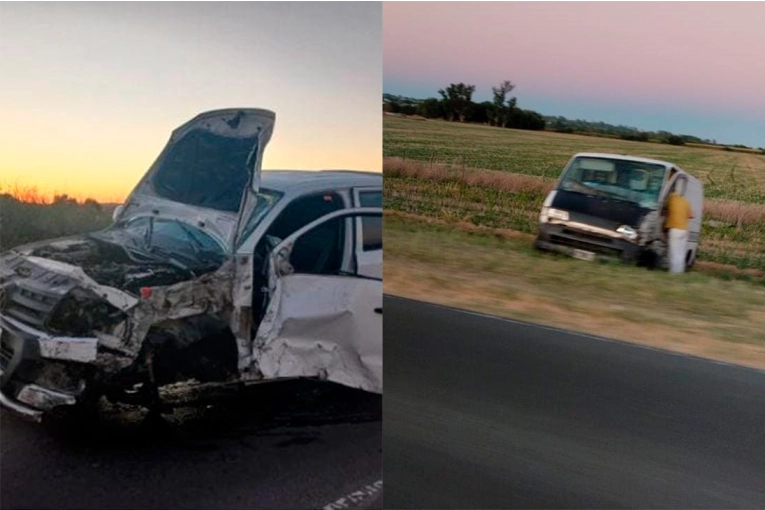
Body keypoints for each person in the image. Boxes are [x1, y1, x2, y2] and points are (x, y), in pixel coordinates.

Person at [664, 182, 695, 273]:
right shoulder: (684, 200)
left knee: (673, 253)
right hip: (684, 230)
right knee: (681, 253)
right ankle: (679, 273)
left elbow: (663, 209)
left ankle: (673, 274)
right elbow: (691, 215)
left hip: (675, 229)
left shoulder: (670, 199)